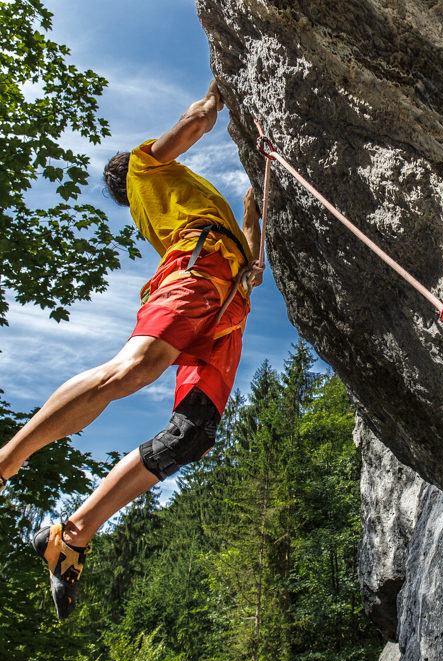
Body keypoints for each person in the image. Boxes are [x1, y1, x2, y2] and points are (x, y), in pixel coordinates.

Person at [0, 80, 263, 619]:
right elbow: (197, 120)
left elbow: (253, 262)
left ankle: (70, 537)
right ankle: (6, 459)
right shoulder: (146, 167)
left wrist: (254, 214)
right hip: (199, 265)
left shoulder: (178, 200)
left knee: (192, 435)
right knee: (133, 370)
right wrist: (222, 82)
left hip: (226, 297)